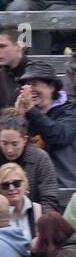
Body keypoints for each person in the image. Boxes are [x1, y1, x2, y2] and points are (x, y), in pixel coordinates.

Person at [15, 61, 76, 190]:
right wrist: (19, 116)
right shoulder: (27, 113)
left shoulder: (69, 112)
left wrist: (31, 110)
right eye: (27, 85)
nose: (31, 90)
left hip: (63, 185)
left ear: (52, 87)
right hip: (28, 185)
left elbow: (59, 136)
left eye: (35, 84)